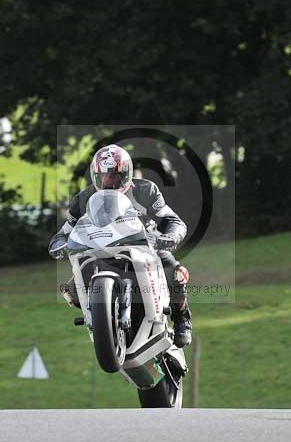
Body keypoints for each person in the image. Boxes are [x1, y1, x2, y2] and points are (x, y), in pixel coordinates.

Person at [48, 144, 192, 347]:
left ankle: (181, 318)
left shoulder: (145, 190)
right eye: (104, 176)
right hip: (99, 251)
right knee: (70, 290)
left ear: (127, 174)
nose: (109, 181)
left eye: (116, 176)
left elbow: (171, 219)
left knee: (173, 268)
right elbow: (64, 232)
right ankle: (101, 322)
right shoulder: (82, 200)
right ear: (95, 176)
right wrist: (58, 244)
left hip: (144, 247)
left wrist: (171, 235)